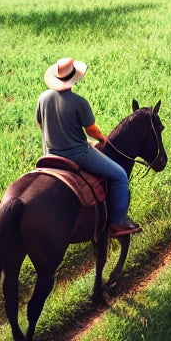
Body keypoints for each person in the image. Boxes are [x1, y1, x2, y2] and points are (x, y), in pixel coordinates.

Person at [36, 56, 142, 237]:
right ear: (74, 77)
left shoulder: (43, 98)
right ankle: (117, 223)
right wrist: (102, 139)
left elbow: (41, 123)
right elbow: (91, 129)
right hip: (77, 154)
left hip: (50, 153)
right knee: (120, 175)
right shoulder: (79, 102)